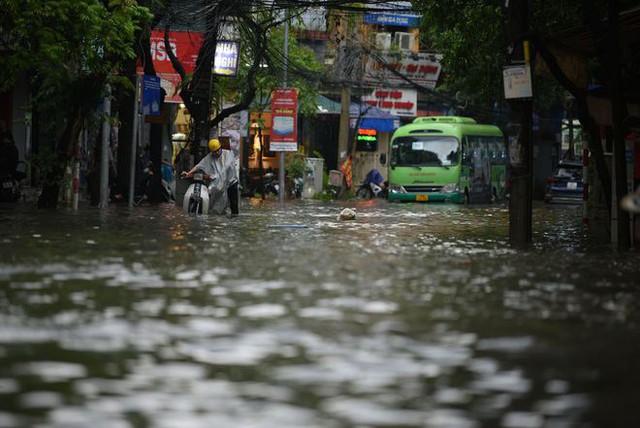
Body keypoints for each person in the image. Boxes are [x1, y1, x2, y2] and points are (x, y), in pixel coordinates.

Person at [182, 138, 239, 215]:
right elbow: (199, 166)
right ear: (212, 152)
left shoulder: (228, 154)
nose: (218, 152)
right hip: (219, 185)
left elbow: (226, 170)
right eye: (215, 151)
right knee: (216, 204)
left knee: (234, 204)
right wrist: (188, 173)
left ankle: (234, 220)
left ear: (220, 147)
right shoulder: (209, 157)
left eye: (218, 150)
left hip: (231, 182)